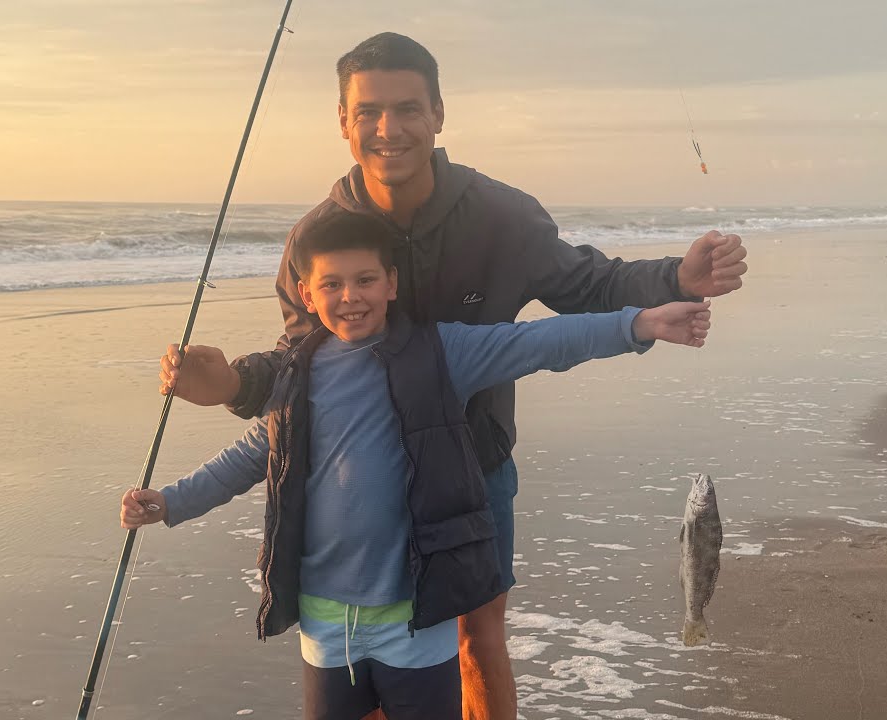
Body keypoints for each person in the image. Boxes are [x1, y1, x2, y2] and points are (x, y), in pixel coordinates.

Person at [159, 32, 747, 719]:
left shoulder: (500, 214)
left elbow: (586, 285)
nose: (389, 129)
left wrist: (676, 279)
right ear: (344, 121)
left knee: (476, 640)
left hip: (475, 464)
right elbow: (302, 371)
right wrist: (231, 386)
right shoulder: (315, 240)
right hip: (360, 479)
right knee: (364, 653)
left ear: (438, 113)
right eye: (369, 111)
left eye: (408, 108)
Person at [130, 212, 713, 719]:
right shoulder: (293, 376)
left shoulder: (442, 352)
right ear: (306, 295)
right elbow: (249, 456)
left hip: (417, 617)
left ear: (391, 283)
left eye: (365, 280)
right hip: (326, 618)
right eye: (331, 284)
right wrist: (172, 501)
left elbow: (537, 342)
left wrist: (638, 324)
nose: (350, 296)